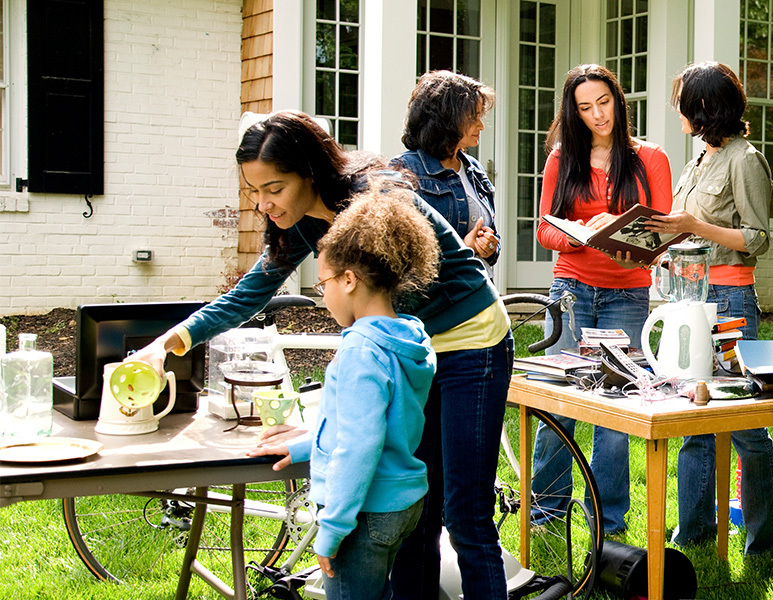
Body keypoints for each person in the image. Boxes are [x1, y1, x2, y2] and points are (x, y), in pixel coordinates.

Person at [128, 111, 514, 599]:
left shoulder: (380, 200)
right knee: (416, 510)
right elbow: (248, 294)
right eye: (254, 192)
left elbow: (417, 290)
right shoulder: (302, 225)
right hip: (413, 348)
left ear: (308, 172)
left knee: (465, 517)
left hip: (469, 342)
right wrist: (169, 342)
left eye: (275, 188)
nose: (264, 204)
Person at [248, 189, 439, 600]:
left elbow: (358, 445)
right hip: (402, 504)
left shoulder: (360, 351)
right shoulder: (407, 339)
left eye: (323, 285)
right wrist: (304, 448)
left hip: (363, 514)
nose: (323, 296)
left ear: (349, 280)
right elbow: (371, 423)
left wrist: (331, 529)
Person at [643, 61, 773, 555]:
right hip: (690, 299)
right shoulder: (700, 157)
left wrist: (693, 226)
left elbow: (756, 238)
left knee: (744, 424)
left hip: (730, 300)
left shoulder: (745, 159)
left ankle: (764, 542)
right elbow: (688, 227)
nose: (674, 107)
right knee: (692, 422)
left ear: (703, 106)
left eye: (681, 98)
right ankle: (694, 533)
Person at [530, 64, 673, 535]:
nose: (598, 115)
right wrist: (580, 236)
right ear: (574, 113)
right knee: (559, 400)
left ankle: (607, 521)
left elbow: (663, 228)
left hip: (627, 294)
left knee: (614, 404)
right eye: (585, 108)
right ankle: (547, 512)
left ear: (619, 100)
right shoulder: (560, 160)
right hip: (570, 289)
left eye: (604, 103)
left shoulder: (649, 157)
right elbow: (545, 228)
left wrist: (621, 228)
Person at [392, 70, 501, 267]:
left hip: (478, 290)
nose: (481, 126)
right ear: (448, 119)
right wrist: (464, 249)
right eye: (473, 117)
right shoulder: (404, 170)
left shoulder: (474, 169)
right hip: (437, 295)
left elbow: (493, 236)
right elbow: (399, 250)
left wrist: (489, 246)